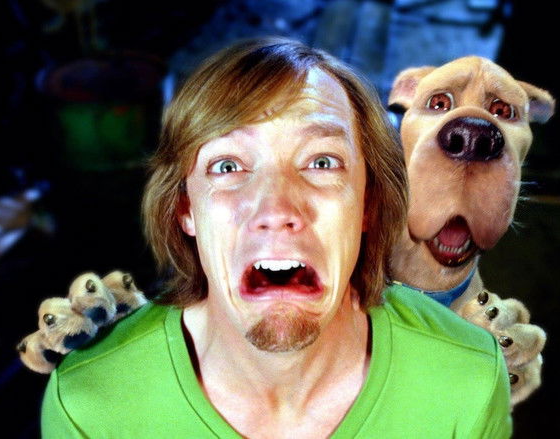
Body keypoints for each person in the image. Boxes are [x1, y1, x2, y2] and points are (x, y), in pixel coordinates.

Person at [41, 37, 512, 438]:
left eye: (322, 162)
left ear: (368, 203)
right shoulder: (89, 406)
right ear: (186, 209)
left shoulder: (467, 380)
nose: (276, 211)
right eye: (228, 166)